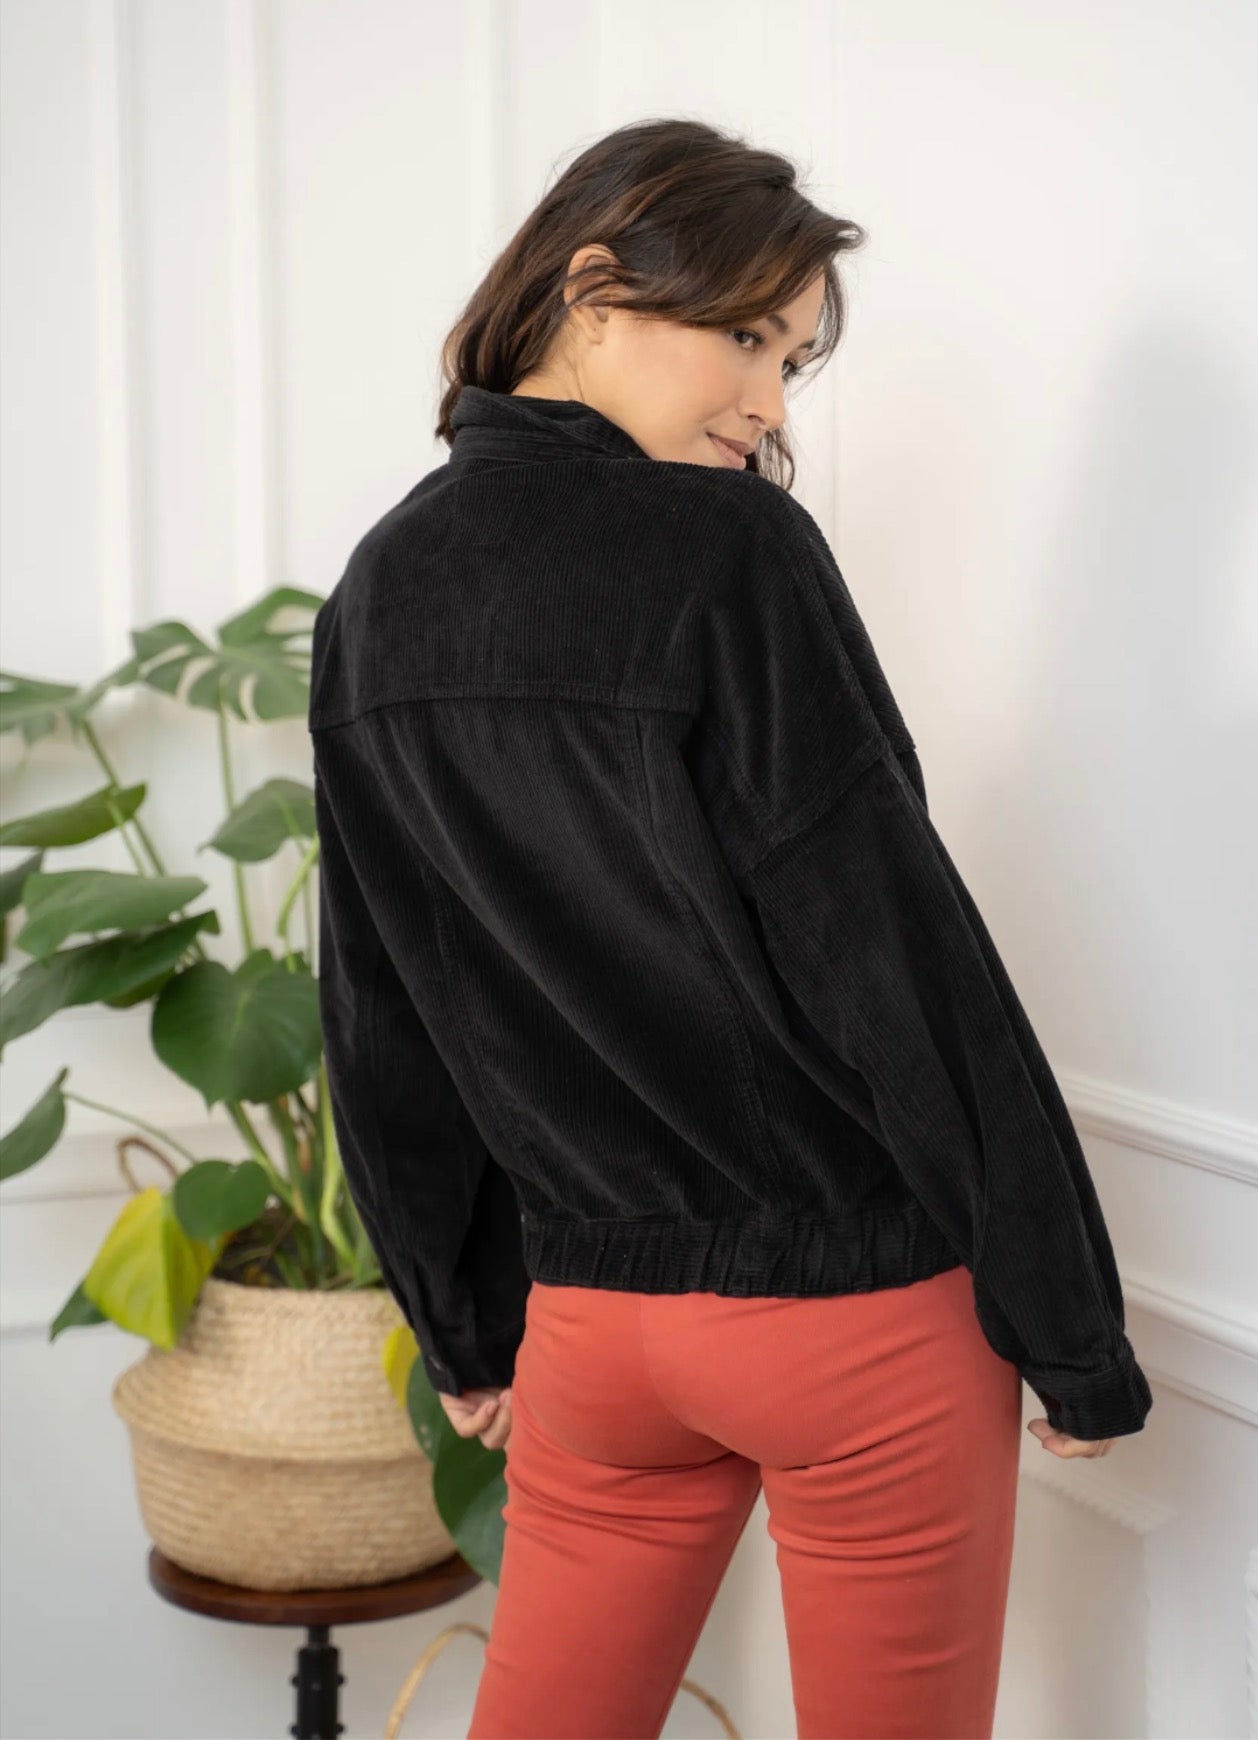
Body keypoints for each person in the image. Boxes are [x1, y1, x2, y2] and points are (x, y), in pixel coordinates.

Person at [308, 117, 1153, 1740]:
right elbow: (890, 950)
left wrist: (462, 1323)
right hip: (850, 1314)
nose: (770, 404)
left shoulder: (379, 585)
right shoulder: (732, 548)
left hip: (592, 1331)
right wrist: (1068, 1328)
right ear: (593, 290)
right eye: (747, 340)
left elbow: (385, 992)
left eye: (792, 360)